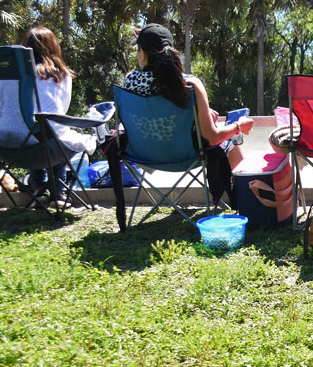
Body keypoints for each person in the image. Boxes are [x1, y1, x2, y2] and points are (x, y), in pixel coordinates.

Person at [104, 23, 253, 229]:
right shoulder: (189, 84)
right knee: (232, 142)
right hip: (185, 156)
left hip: (141, 156)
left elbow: (148, 114)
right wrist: (238, 125)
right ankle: (244, 205)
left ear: (143, 53)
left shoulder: (129, 82)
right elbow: (211, 137)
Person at [0, 26, 95, 200]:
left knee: (36, 132)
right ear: (54, 48)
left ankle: (38, 187)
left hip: (8, 146)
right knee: (52, 133)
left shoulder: (7, 74)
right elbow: (61, 112)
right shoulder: (61, 75)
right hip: (45, 147)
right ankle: (58, 191)